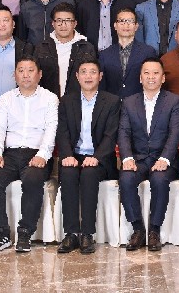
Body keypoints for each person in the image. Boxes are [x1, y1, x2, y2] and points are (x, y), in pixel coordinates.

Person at [0, 56, 58, 253]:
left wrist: (43, 155)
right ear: (15, 75)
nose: (25, 75)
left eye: (30, 70)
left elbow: (51, 130)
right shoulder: (6, 99)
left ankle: (25, 232)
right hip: (9, 154)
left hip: (36, 153)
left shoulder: (50, 99)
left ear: (39, 74)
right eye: (21, 70)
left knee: (33, 179)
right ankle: (0, 233)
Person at [55, 59, 121, 255]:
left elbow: (111, 135)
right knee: (68, 173)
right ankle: (71, 234)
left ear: (100, 76)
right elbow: (62, 132)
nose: (88, 76)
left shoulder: (112, 101)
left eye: (93, 72)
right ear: (77, 76)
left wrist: (97, 157)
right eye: (83, 72)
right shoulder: (66, 101)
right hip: (74, 156)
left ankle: (87, 234)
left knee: (90, 173)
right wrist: (67, 155)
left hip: (100, 159)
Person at [118, 59, 179, 251]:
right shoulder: (129, 102)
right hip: (138, 159)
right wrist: (127, 158)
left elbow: (175, 133)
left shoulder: (174, 101)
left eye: (156, 73)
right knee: (126, 178)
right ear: (140, 78)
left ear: (163, 78)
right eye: (146, 73)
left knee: (159, 179)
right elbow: (123, 132)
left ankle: (154, 230)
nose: (151, 77)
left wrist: (165, 158)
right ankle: (138, 229)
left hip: (164, 159)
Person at [34, 2, 97, 98]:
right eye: (59, 20)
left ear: (75, 23)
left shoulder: (86, 48)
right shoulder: (41, 47)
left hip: (77, 102)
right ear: (53, 23)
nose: (63, 25)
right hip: (47, 101)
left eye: (68, 20)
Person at [100, 8, 157, 98]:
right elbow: (102, 85)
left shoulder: (148, 52)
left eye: (130, 21)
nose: (126, 25)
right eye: (122, 21)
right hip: (112, 104)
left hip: (139, 103)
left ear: (136, 26)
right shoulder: (104, 54)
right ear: (115, 26)